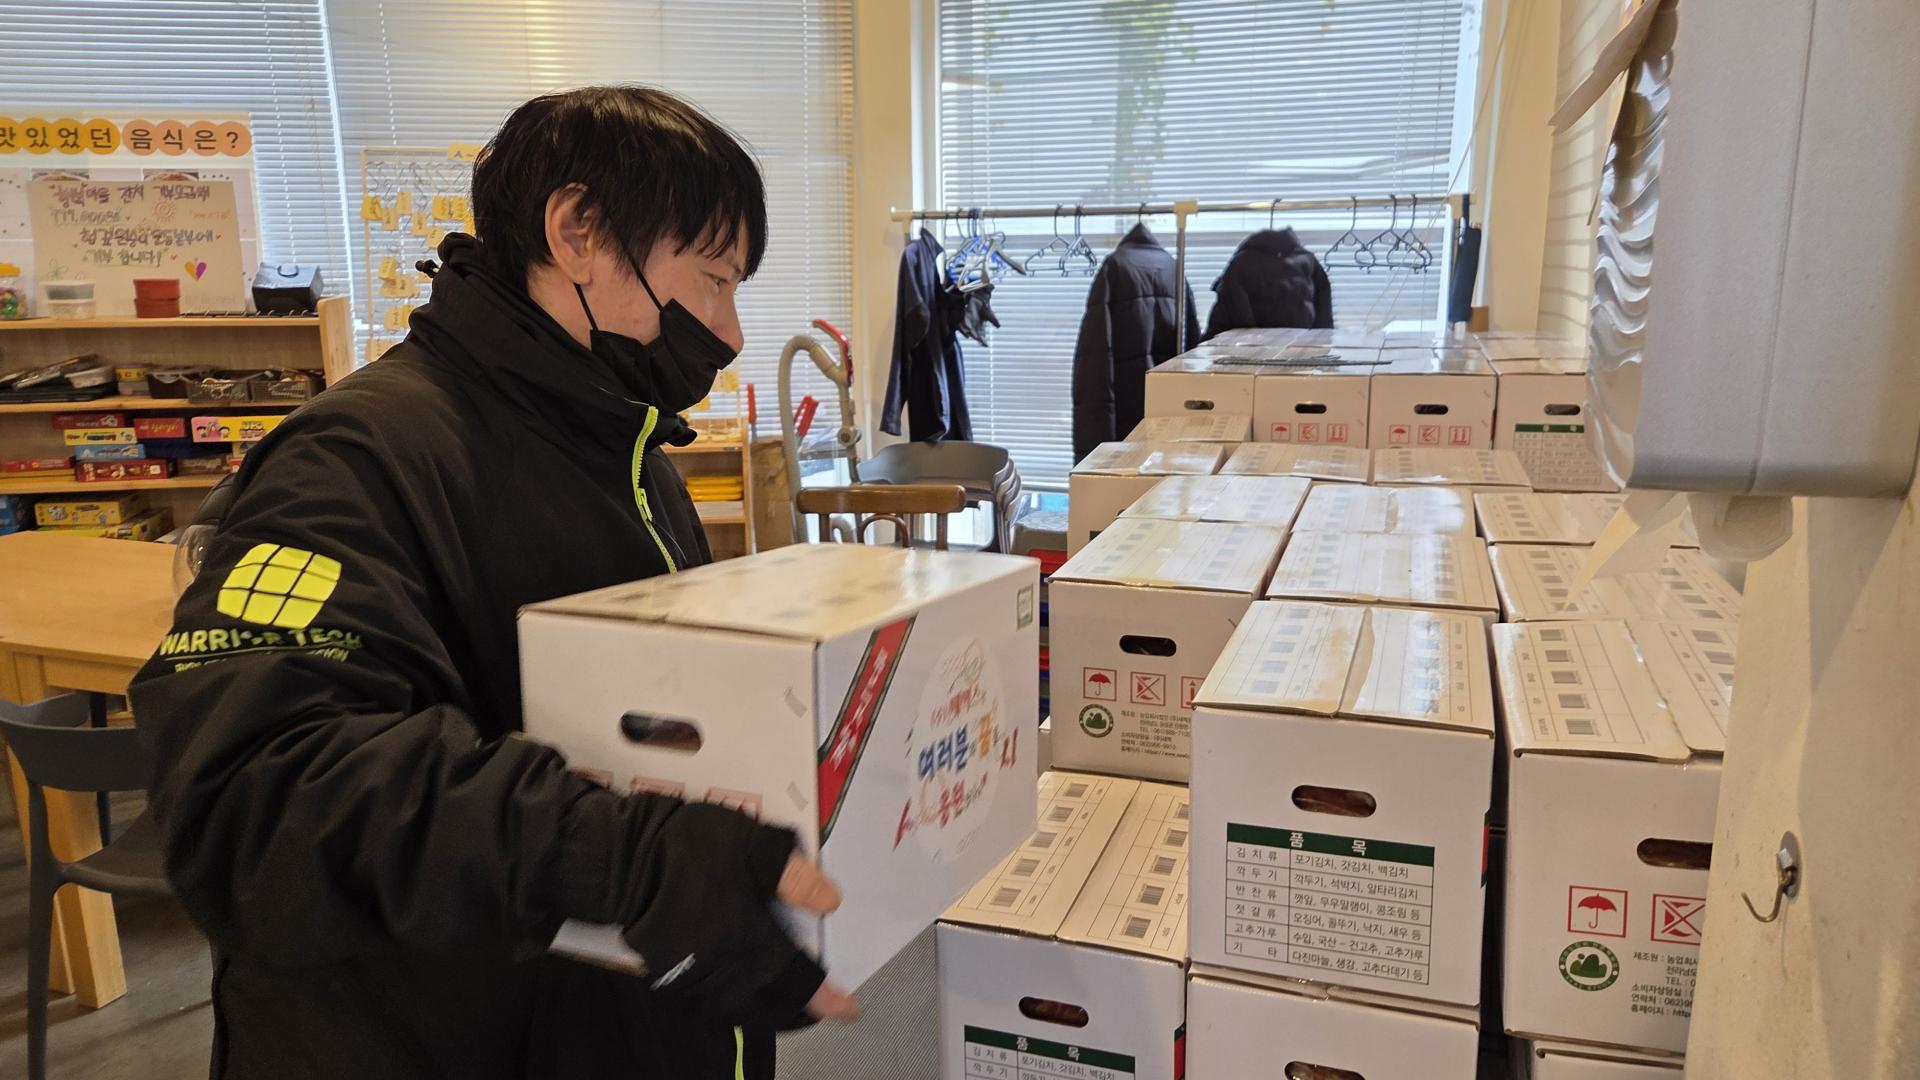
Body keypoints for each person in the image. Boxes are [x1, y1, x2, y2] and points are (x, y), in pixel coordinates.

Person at [127, 85, 857, 1080]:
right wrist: (618, 858)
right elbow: (253, 789)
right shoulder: (358, 455)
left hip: (607, 1021)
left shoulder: (625, 449)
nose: (729, 331)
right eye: (715, 279)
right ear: (578, 231)